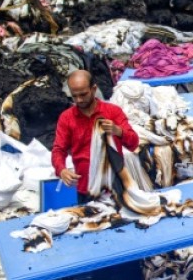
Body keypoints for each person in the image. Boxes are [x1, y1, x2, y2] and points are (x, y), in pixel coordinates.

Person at [52, 70, 139, 204]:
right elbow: (59, 149)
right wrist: (62, 170)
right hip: (86, 189)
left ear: (94, 89)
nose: (79, 100)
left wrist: (118, 131)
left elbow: (133, 143)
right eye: (74, 96)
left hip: (115, 186)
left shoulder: (112, 112)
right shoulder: (66, 118)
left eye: (83, 94)